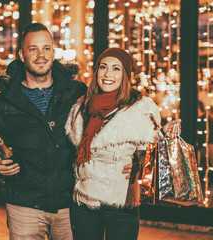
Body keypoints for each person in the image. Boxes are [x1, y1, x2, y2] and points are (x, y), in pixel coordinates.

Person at [0, 23, 87, 240]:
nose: (40, 55)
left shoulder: (76, 93)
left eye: (46, 48)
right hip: (24, 205)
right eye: (33, 49)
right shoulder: (4, 103)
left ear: (54, 52)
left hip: (70, 203)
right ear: (22, 54)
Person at [65, 48, 161, 240]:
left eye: (116, 68)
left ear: (125, 75)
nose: (108, 74)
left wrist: (140, 165)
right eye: (103, 67)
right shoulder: (81, 107)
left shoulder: (141, 109)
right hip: (84, 203)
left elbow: (153, 154)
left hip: (121, 204)